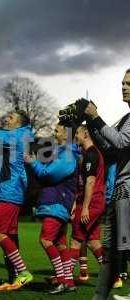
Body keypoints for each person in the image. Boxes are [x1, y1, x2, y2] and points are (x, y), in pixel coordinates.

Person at [84, 69, 130, 300]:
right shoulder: (125, 119)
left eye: (129, 83)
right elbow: (108, 148)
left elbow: (121, 142)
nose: (124, 87)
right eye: (123, 83)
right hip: (120, 191)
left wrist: (96, 118)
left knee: (122, 249)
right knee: (112, 252)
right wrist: (90, 122)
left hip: (128, 192)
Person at [25, 123, 81, 294]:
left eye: (57, 130)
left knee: (46, 240)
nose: (53, 133)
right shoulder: (63, 153)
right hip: (57, 203)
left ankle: (62, 280)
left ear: (66, 135)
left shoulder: (68, 155)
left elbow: (48, 174)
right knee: (60, 244)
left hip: (56, 203)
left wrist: (34, 163)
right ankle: (69, 282)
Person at [0, 110, 34, 291]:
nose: (7, 119)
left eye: (11, 118)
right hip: (7, 193)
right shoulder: (14, 137)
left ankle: (23, 273)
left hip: (8, 193)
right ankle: (16, 277)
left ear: (19, 124)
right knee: (9, 235)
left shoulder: (19, 136)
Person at [69, 125, 105, 284]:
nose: (75, 136)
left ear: (85, 133)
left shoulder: (91, 153)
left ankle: (65, 277)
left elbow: (90, 182)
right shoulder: (91, 153)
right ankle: (114, 276)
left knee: (76, 239)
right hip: (95, 201)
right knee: (92, 241)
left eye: (77, 133)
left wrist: (84, 207)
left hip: (92, 202)